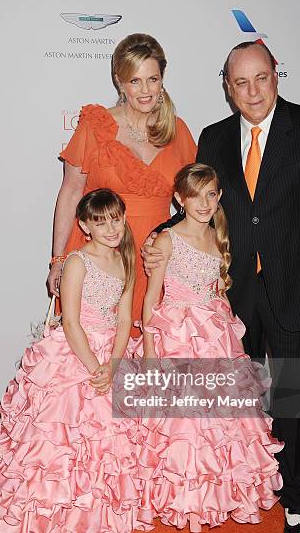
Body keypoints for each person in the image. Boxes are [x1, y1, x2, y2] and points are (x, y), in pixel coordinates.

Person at [144, 42, 300, 533]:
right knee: (242, 397)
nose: (252, 91)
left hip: (298, 288)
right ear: (227, 86)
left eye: (261, 78)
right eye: (241, 82)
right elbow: (200, 206)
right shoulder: (215, 137)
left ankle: (298, 499)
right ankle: (248, 480)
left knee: (295, 395)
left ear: (276, 75)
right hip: (232, 294)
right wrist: (161, 239)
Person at [0, 189, 153, 533]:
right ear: (84, 226)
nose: (111, 228)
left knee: (112, 441)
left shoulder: (125, 260)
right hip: (75, 355)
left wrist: (116, 362)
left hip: (111, 355)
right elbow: (71, 321)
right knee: (57, 440)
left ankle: (100, 509)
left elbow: (126, 318)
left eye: (116, 219)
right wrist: (96, 368)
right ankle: (48, 512)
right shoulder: (77, 262)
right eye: (100, 221)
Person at [132, 163, 283, 532]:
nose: (205, 203)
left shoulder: (219, 236)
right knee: (181, 424)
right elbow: (151, 300)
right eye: (196, 195)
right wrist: (151, 351)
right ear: (179, 199)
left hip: (216, 333)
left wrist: (233, 338)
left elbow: (219, 290)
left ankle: (218, 491)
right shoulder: (166, 240)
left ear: (219, 197)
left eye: (212, 194)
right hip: (178, 335)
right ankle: (178, 494)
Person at [48, 33, 196, 329]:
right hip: (102, 254)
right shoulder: (96, 125)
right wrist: (58, 259)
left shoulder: (177, 131)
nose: (145, 91)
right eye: (135, 81)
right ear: (119, 81)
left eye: (152, 79)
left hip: (153, 256)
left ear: (162, 79)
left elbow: (193, 203)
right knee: (97, 349)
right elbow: (71, 191)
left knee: (149, 352)